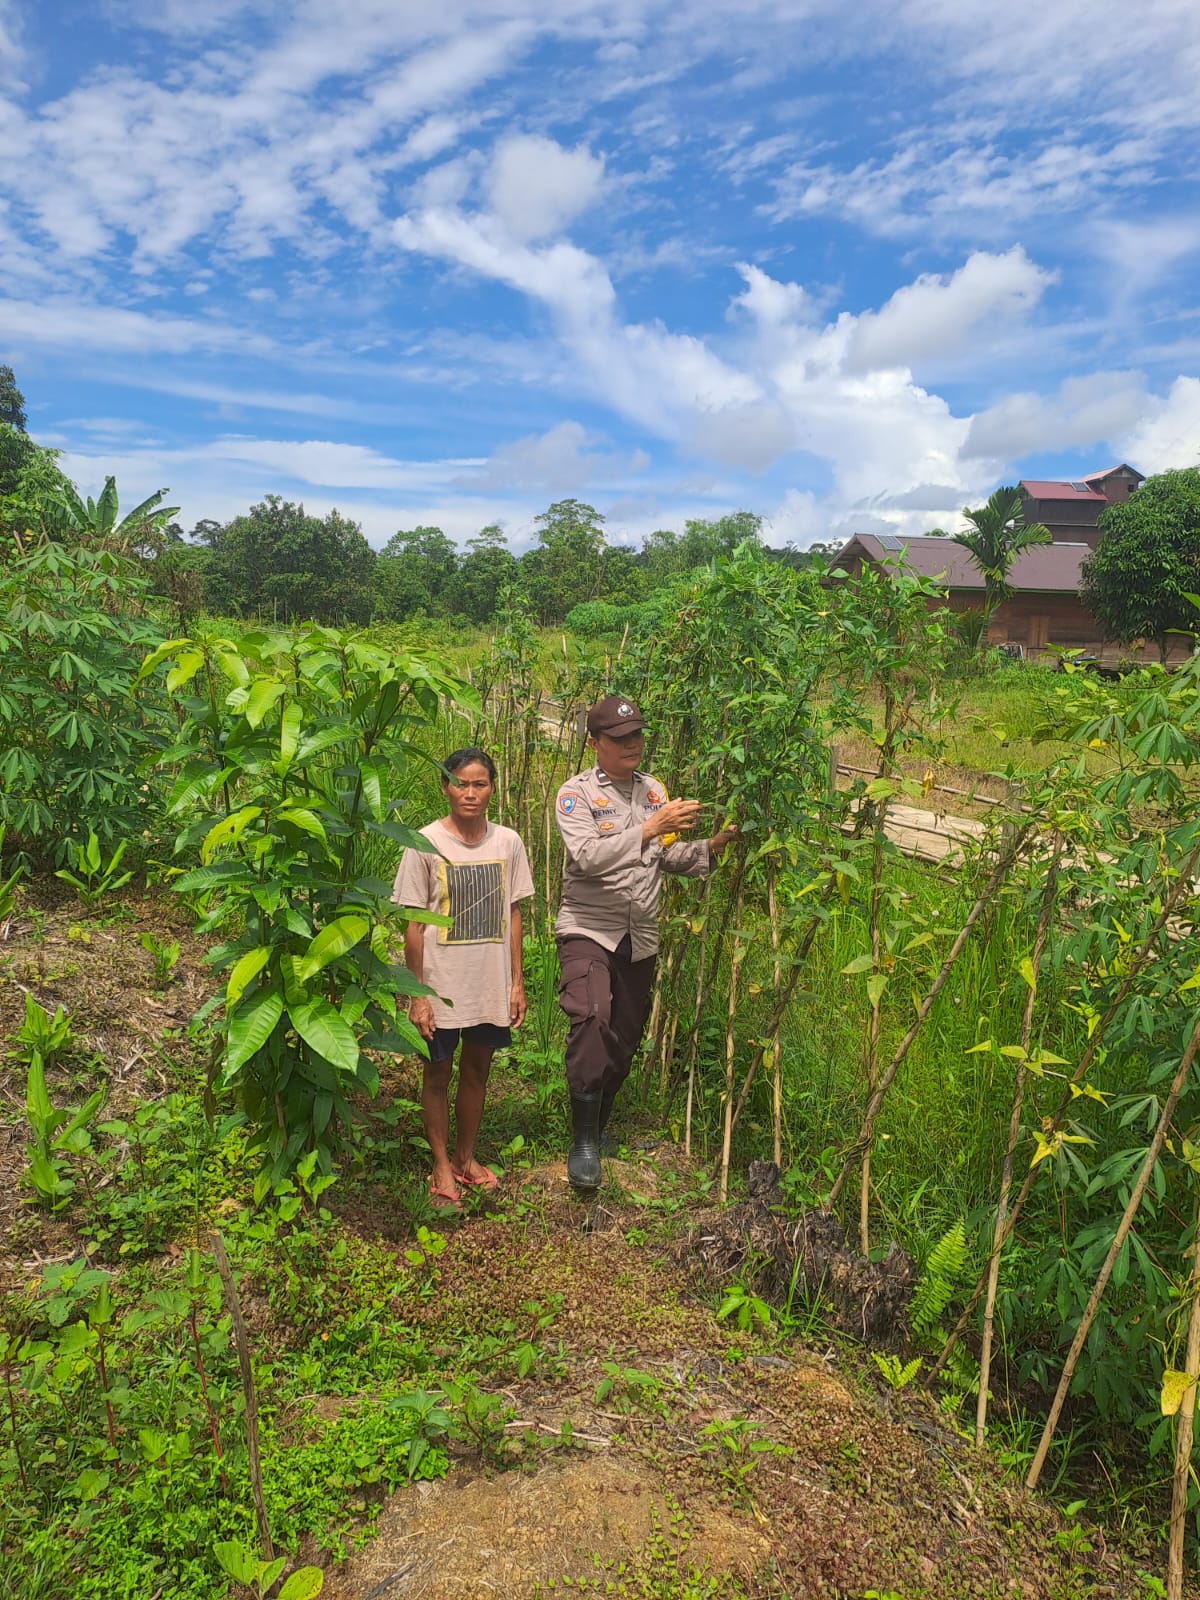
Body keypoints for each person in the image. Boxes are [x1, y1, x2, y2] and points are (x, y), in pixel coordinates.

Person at [554, 695, 737, 1189]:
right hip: (589, 926)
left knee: (624, 1035)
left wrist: (709, 849)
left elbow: (667, 858)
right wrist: (650, 827)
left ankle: (601, 1126)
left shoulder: (654, 791)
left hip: (640, 932)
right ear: (594, 743)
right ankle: (583, 1143)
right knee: (593, 1015)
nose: (631, 744)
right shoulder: (576, 796)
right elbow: (589, 856)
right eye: (619, 738)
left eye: (636, 735)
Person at [393, 748, 534, 1210]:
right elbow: (412, 924)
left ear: (493, 788)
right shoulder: (423, 843)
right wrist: (417, 995)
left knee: (478, 1070)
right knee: (437, 1073)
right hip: (441, 986)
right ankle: (439, 1165)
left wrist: (516, 981)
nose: (470, 793)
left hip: (487, 983)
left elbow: (512, 913)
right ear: (445, 787)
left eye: (480, 784)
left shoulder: (507, 843)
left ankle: (465, 1158)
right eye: (460, 783)